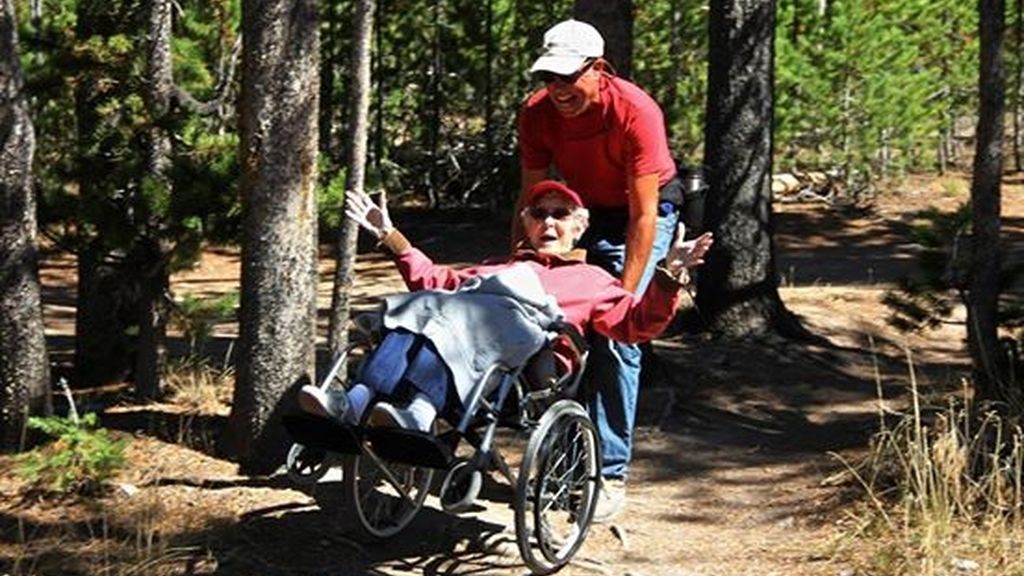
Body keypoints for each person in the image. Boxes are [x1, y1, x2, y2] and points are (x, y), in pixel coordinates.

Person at [299, 181, 712, 440]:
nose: (549, 222)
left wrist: (667, 276)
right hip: (471, 344)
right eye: (539, 213)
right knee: (422, 306)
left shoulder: (593, 279)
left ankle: (421, 413)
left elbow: (637, 325)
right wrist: (390, 237)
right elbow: (435, 280)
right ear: (527, 223)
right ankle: (353, 403)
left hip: (526, 368)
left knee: (466, 311)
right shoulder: (500, 267)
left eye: (560, 214)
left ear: (579, 226)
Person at [515, 19, 684, 521]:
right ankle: (558, 453)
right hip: (579, 209)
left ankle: (607, 475)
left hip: (642, 209)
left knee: (615, 337)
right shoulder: (537, 112)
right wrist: (519, 267)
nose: (558, 89)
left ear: (599, 69)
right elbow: (530, 199)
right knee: (541, 320)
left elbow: (644, 213)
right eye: (550, 77)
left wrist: (623, 300)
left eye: (569, 77)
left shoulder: (635, 110)